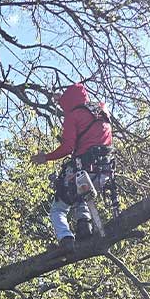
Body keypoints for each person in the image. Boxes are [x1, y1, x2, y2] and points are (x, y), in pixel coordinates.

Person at [31, 82, 115, 249]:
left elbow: (68, 147)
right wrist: (61, 100)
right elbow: (77, 102)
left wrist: (46, 157)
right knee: (81, 193)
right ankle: (84, 226)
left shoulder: (73, 116)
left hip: (84, 169)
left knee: (58, 208)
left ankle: (66, 239)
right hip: (104, 171)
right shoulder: (102, 110)